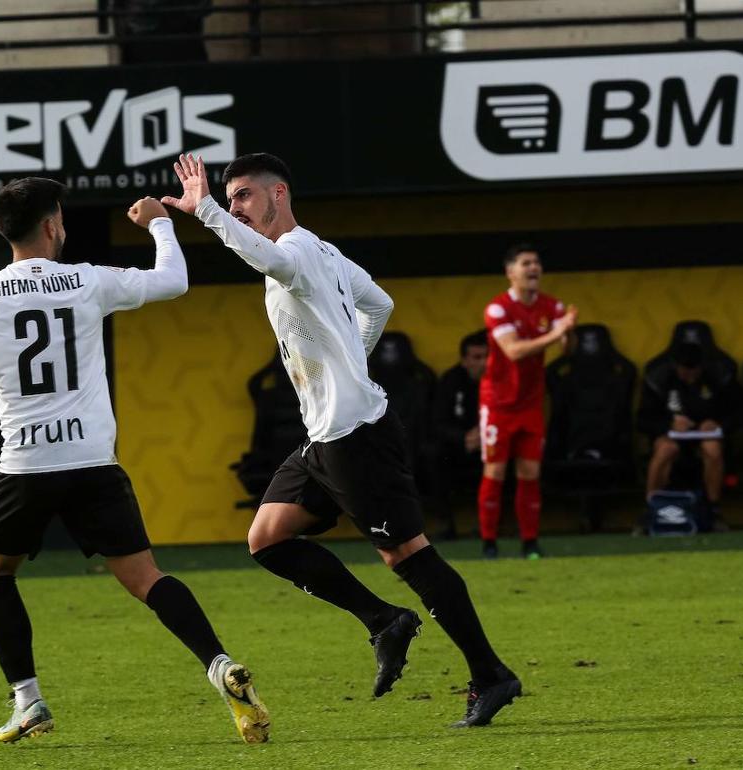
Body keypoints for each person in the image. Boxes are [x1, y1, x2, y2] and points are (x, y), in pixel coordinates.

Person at [0, 179, 269, 745]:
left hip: (27, 466)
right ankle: (218, 663)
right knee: (145, 578)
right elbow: (174, 281)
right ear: (53, 226)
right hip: (93, 464)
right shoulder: (86, 280)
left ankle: (28, 701)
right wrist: (159, 222)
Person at [161, 152, 521, 728]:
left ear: (279, 193)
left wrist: (203, 210)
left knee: (407, 553)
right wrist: (350, 358)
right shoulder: (323, 252)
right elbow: (380, 304)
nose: (238, 210)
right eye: (230, 202)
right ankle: (384, 621)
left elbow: (268, 257)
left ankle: (491, 674)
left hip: (357, 436)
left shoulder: (300, 252)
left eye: (245, 197)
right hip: (326, 436)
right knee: (267, 539)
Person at [478, 244, 577, 560]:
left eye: (536, 263)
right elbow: (514, 351)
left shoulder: (552, 307)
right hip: (498, 403)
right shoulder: (498, 309)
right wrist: (556, 333)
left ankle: (530, 543)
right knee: (495, 472)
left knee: (530, 472)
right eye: (526, 263)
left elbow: (566, 350)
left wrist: (568, 332)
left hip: (531, 404)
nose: (534, 268)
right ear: (510, 272)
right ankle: (489, 543)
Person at [637, 341, 740, 528]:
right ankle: (650, 508)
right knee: (666, 448)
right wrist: (669, 425)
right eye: (685, 370)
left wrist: (718, 424)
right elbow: (643, 420)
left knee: (712, 447)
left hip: (706, 436)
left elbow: (742, 411)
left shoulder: (719, 377)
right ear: (676, 366)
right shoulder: (659, 379)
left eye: (694, 370)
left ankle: (714, 511)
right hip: (671, 437)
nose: (690, 375)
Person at [430, 330, 489, 538]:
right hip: (458, 446)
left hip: (491, 443)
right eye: (476, 358)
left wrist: (485, 436)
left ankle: (489, 524)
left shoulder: (500, 380)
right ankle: (445, 524)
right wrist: (463, 437)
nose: (483, 363)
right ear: (465, 360)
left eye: (486, 357)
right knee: (435, 455)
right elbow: (438, 422)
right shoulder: (451, 380)